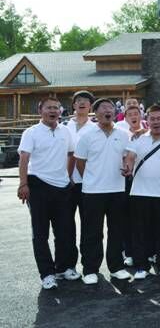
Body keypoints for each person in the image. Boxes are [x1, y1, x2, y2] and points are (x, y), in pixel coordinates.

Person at [17, 97, 79, 289]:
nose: (53, 111)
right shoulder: (31, 132)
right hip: (38, 185)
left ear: (60, 111)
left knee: (64, 231)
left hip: (62, 187)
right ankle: (47, 274)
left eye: (56, 108)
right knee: (40, 233)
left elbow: (71, 154)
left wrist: (68, 176)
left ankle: (63, 268)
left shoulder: (65, 131)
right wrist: (23, 184)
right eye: (49, 108)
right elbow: (24, 158)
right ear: (40, 111)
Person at [73, 98, 131, 284]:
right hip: (92, 191)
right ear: (96, 113)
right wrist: (91, 178)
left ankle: (116, 267)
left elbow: (127, 157)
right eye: (104, 108)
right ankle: (90, 269)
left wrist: (127, 166)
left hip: (117, 190)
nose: (108, 111)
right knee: (92, 232)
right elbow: (80, 162)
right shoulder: (87, 135)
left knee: (117, 230)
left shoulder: (123, 134)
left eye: (111, 108)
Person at [124, 105, 160, 280]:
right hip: (139, 193)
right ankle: (141, 266)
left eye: (159, 118)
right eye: (152, 118)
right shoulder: (139, 138)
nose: (156, 122)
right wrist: (128, 168)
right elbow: (130, 157)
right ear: (147, 120)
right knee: (139, 232)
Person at [64, 90, 97, 271]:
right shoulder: (63, 127)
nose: (82, 103)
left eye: (86, 101)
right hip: (66, 183)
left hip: (88, 183)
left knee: (89, 226)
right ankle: (68, 265)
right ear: (73, 105)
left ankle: (89, 265)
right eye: (78, 100)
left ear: (90, 106)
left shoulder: (96, 128)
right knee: (66, 226)